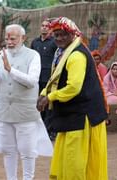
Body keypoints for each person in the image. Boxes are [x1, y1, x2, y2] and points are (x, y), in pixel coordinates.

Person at [37, 17, 108, 180]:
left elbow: (73, 87)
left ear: (72, 34)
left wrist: (50, 97)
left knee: (75, 164)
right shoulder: (61, 53)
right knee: (68, 161)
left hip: (82, 117)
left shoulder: (76, 55)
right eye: (56, 35)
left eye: (63, 35)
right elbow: (55, 77)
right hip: (71, 116)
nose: (59, 38)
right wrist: (43, 93)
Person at [0, 24, 51, 180]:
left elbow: (32, 81)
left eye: (13, 38)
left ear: (23, 38)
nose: (9, 41)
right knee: (9, 151)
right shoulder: (0, 55)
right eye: (7, 37)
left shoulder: (33, 55)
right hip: (3, 112)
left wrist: (10, 70)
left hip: (25, 112)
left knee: (27, 153)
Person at [31, 19, 58, 140]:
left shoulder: (54, 42)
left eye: (47, 26)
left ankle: (50, 130)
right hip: (36, 78)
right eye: (42, 25)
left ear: (51, 29)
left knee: (48, 104)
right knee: (37, 103)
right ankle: (38, 130)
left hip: (49, 78)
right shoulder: (34, 42)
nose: (44, 28)